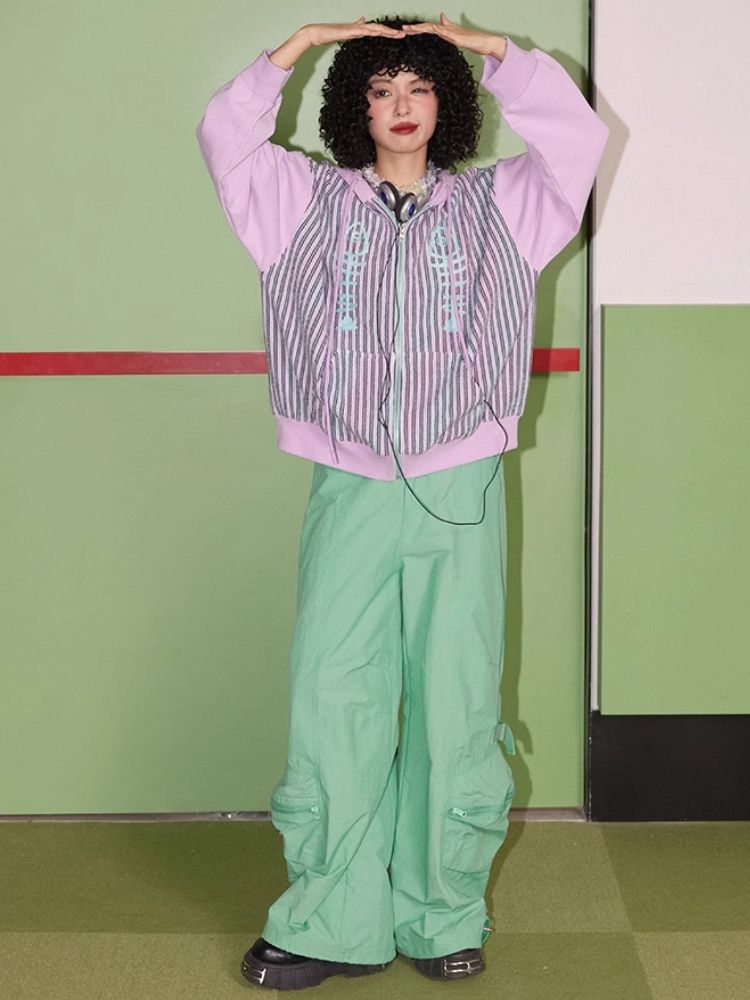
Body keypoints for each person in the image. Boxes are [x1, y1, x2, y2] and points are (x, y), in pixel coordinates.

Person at [196, 13, 608, 989]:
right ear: (356, 106)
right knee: (332, 693)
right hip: (349, 481)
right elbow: (224, 135)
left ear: (446, 101)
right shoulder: (295, 198)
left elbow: (579, 139)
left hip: (459, 485)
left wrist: (489, 49)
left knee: (456, 698)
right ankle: (328, 919)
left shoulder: (506, 203)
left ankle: (440, 912)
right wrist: (301, 44)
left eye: (419, 87)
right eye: (381, 89)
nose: (402, 106)